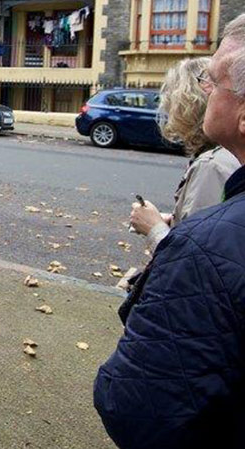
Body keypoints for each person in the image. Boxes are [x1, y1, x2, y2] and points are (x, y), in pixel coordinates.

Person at [95, 13, 245, 449]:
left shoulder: (213, 173)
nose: (205, 91)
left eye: (212, 82)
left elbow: (134, 403)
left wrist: (162, 240)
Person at [129, 57, 239, 251]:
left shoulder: (211, 166)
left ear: (185, 105)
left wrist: (153, 227)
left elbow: (191, 261)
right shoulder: (227, 154)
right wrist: (173, 222)